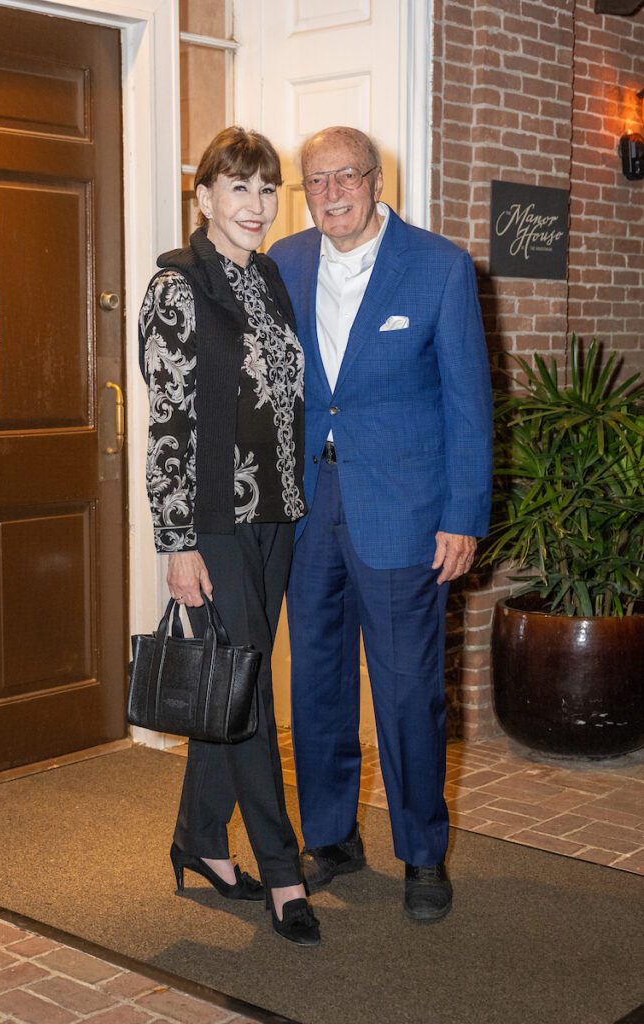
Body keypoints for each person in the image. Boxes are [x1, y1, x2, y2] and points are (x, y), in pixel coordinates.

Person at [269, 126, 492, 923]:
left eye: (345, 177)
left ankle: (422, 852)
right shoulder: (283, 263)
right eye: (314, 181)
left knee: (405, 696)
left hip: (404, 513)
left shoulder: (436, 266)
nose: (331, 193)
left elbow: (470, 401)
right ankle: (330, 837)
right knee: (317, 684)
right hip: (307, 510)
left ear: (373, 178)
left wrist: (462, 515)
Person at [139, 126, 319, 946]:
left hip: (276, 516)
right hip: (213, 524)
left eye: (265, 188)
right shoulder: (177, 288)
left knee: (232, 683)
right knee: (253, 699)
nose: (255, 204)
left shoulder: (271, 279)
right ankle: (283, 872)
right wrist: (177, 544)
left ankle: (200, 840)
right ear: (203, 199)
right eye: (237, 187)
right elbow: (168, 428)